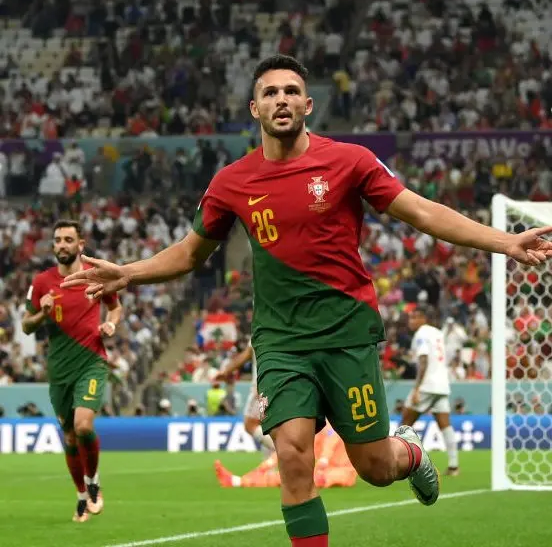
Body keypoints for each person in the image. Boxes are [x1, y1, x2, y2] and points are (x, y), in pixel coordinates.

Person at [60, 55, 552, 546]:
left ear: (308, 105)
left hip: (346, 333)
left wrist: (505, 241)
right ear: (254, 108)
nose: (282, 100)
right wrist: (128, 272)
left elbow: (421, 212)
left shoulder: (350, 161)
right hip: (281, 343)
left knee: (376, 467)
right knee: (293, 456)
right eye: (270, 92)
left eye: (291, 91)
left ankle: (411, 452)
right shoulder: (231, 182)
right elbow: (190, 253)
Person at [22, 220, 122, 523]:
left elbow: (115, 306)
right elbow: (26, 326)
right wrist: (42, 313)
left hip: (91, 360)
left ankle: (93, 482)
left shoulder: (95, 275)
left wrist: (111, 324)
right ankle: (81, 495)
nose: (62, 245)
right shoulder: (42, 282)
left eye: (68, 239)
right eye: (58, 240)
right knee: (68, 438)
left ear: (80, 244)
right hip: (59, 369)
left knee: (83, 426)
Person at [400, 307, 459, 476]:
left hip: (427, 384)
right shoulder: (437, 333)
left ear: (423, 319)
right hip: (442, 384)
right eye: (410, 318)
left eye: (415, 318)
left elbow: (424, 360)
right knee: (445, 425)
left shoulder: (421, 334)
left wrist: (417, 388)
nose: (411, 321)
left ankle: (397, 463)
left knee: (405, 422)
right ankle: (454, 466)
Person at [214, 424, 356, 489]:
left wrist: (323, 462)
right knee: (290, 475)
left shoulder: (333, 423)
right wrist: (269, 463)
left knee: (304, 478)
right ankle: (238, 481)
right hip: (322, 469)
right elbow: (293, 447)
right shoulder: (314, 426)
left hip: (341, 470)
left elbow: (331, 441)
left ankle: (239, 481)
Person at [216, 340, 275, 451]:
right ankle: (276, 457)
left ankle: (281, 451)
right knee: (273, 425)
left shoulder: (261, 331)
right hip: (286, 383)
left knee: (250, 424)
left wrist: (226, 371)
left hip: (262, 385)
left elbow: (247, 353)